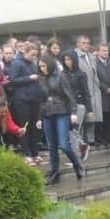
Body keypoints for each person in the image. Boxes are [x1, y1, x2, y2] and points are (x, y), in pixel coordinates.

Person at [37, 55, 85, 185]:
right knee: (51, 146)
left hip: (62, 112)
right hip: (47, 113)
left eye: (44, 66)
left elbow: (69, 95)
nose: (42, 69)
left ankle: (77, 164)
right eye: (40, 66)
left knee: (64, 144)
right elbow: (41, 100)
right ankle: (54, 172)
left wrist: (73, 112)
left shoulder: (60, 76)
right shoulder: (41, 79)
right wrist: (39, 118)